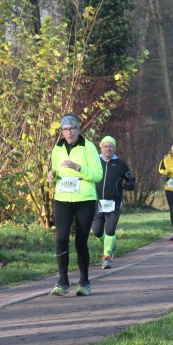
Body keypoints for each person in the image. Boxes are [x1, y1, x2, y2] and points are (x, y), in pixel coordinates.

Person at [47, 113, 103, 297]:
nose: (68, 132)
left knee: (80, 241)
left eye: (72, 128)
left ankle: (84, 282)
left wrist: (77, 167)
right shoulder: (57, 148)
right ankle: (62, 281)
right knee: (61, 238)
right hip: (63, 198)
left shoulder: (88, 147)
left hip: (84, 199)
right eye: (65, 129)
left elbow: (97, 175)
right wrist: (52, 174)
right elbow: (56, 169)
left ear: (79, 129)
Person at [92, 136, 135, 270]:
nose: (108, 149)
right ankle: (111, 243)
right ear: (101, 147)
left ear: (114, 148)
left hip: (113, 203)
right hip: (96, 203)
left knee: (110, 230)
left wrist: (127, 185)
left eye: (111, 146)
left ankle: (106, 258)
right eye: (105, 146)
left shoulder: (120, 164)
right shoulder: (94, 161)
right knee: (97, 232)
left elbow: (131, 179)